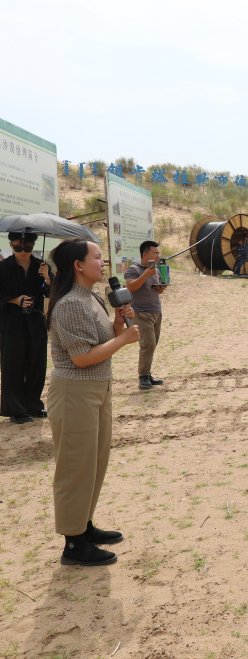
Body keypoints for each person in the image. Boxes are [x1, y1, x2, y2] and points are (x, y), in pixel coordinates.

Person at [47, 238, 140, 565]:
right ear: (78, 265)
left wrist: (117, 323)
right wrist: (124, 339)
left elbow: (100, 340)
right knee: (75, 468)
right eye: (98, 257)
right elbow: (83, 358)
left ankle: (83, 527)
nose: (104, 263)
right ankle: (73, 545)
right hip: (75, 393)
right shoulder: (70, 303)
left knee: (93, 463)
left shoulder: (93, 298)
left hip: (97, 389)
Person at [0, 231, 51, 423]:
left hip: (36, 322)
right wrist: (15, 300)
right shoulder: (3, 267)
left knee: (37, 365)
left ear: (33, 246)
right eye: (18, 247)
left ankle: (33, 405)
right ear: (11, 245)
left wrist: (47, 277)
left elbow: (53, 291)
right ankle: (16, 409)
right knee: (12, 366)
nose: (23, 251)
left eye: (28, 248)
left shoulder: (41, 266)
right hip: (12, 324)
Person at [124, 240, 168, 390]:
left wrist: (161, 288)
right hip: (140, 312)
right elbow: (130, 287)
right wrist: (144, 275)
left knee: (152, 344)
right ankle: (143, 376)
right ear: (145, 254)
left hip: (156, 311)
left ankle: (147, 374)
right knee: (147, 344)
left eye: (158, 253)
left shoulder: (155, 270)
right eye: (154, 253)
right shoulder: (134, 269)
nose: (157, 256)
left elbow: (157, 290)